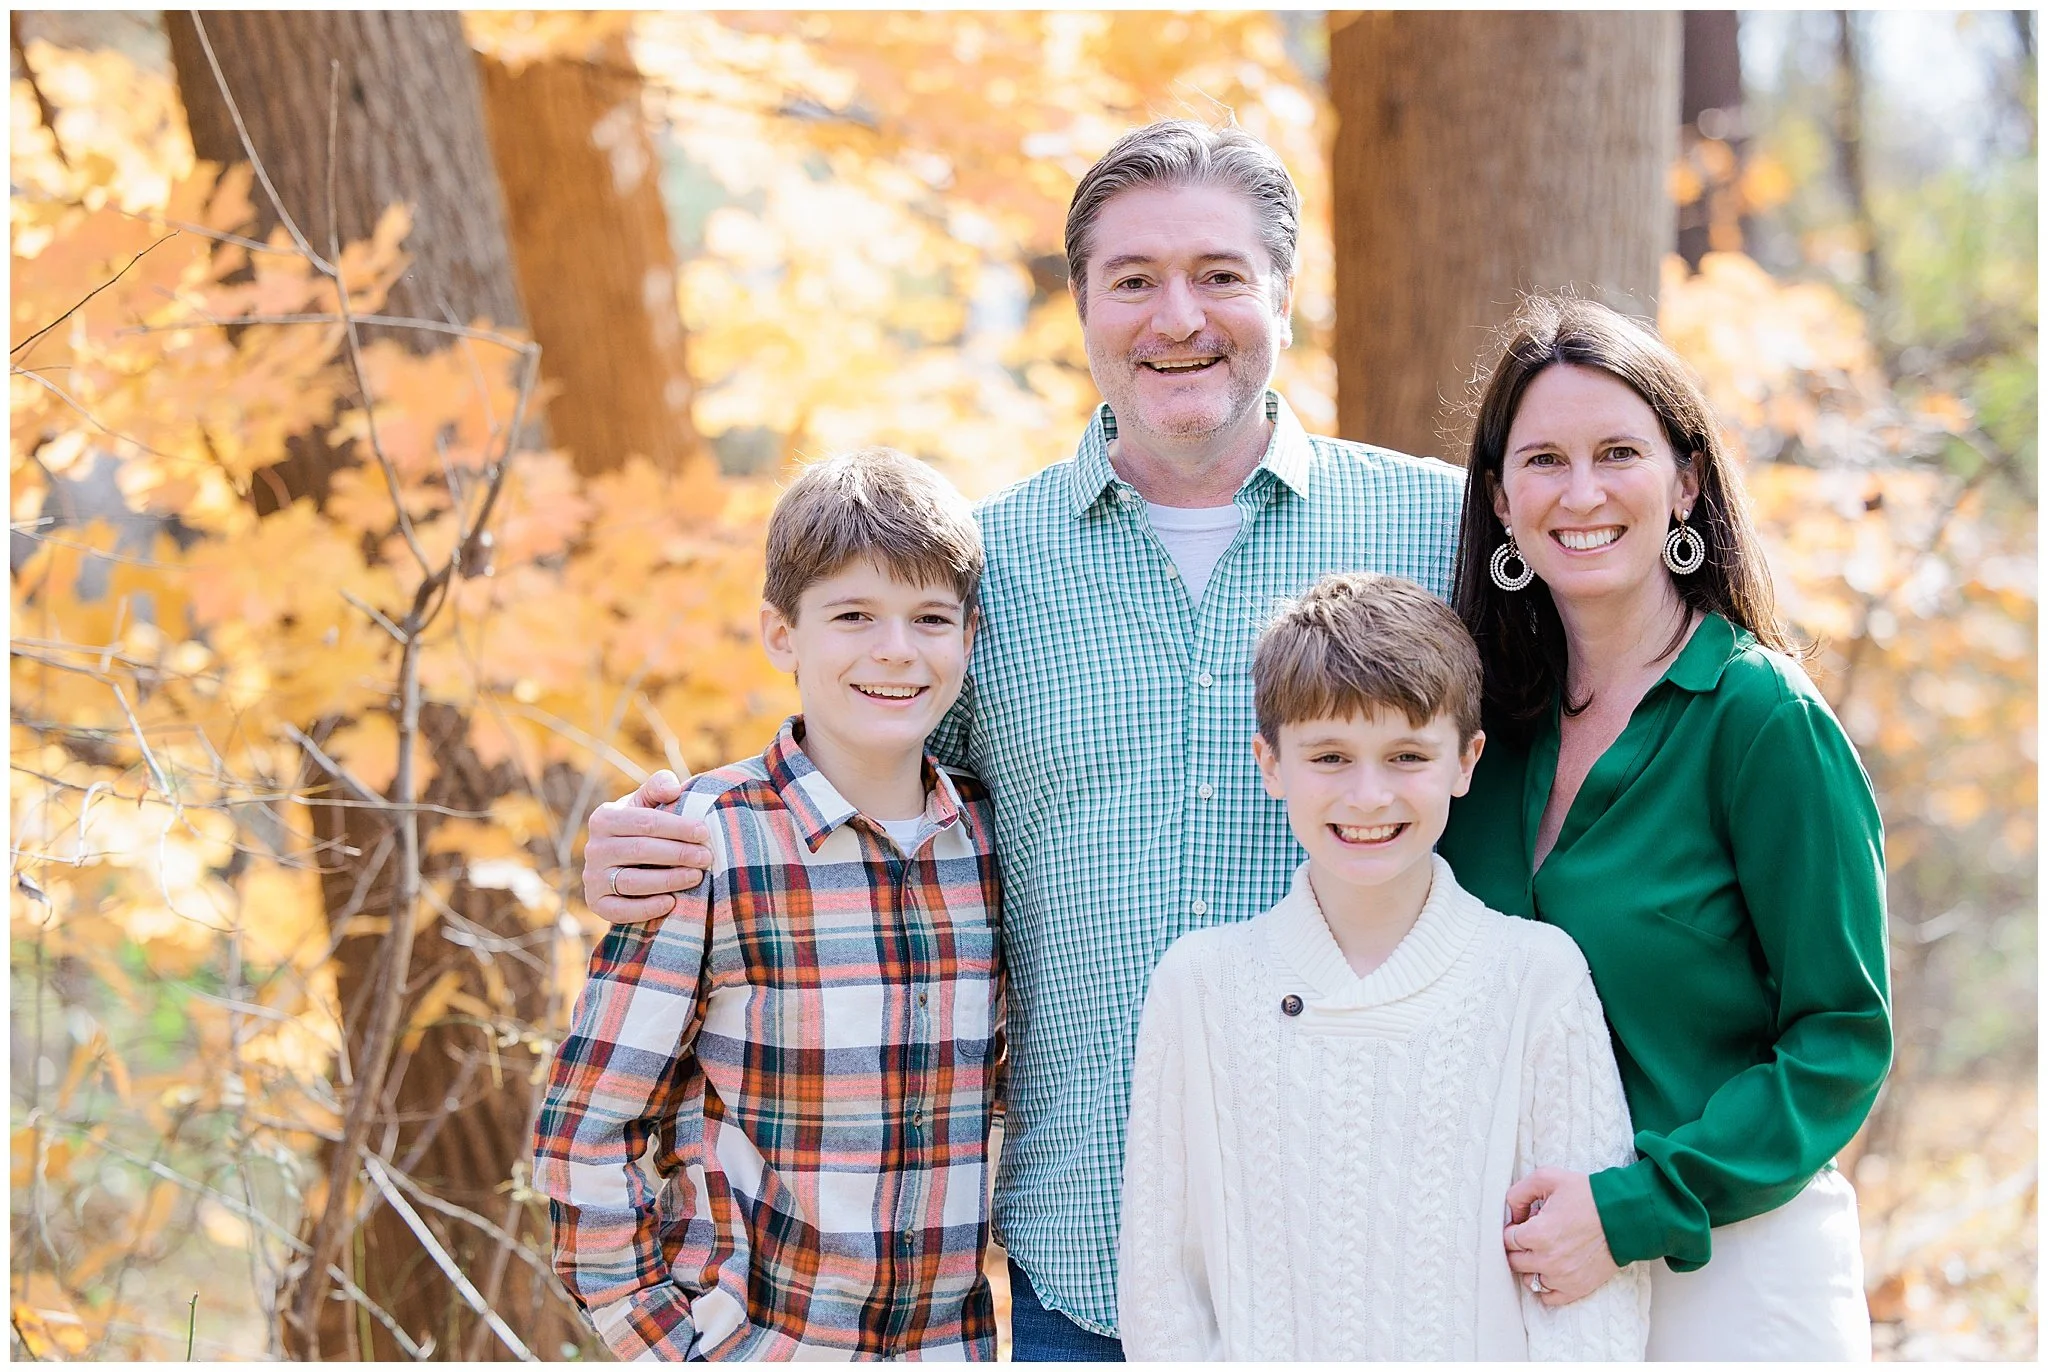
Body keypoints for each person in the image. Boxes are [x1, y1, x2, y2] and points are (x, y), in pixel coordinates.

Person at [580, 120, 1465, 1359]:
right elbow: (854, 794)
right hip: (1082, 1265)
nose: (1177, 318)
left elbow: (1567, 777)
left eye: (1217, 274)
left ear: (1282, 290)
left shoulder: (1442, 531)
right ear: (1081, 305)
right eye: (1132, 280)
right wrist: (656, 840)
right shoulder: (983, 570)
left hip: (1376, 1254)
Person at [1438, 295, 1892, 1360]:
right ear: (1500, 498)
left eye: (1617, 453)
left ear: (1684, 480)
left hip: (1733, 1267)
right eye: (1543, 460)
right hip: (1521, 1283)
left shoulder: (1761, 719)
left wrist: (1637, 1206)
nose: (1581, 492)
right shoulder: (1477, 735)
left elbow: (1839, 1038)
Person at [533, 449, 1003, 1360]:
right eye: (853, 615)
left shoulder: (986, 843)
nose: (896, 649)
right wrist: (675, 1345)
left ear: (969, 635)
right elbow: (587, 1129)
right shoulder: (702, 844)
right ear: (782, 634)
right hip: (762, 1341)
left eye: (930, 618)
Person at [1116, 572, 1650, 1361]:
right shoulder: (1200, 987)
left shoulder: (1536, 978)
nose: (1368, 796)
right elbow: (1162, 1288)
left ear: (1466, 760)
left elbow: (1590, 1309)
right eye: (1330, 756)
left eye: (1406, 755)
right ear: (1270, 764)